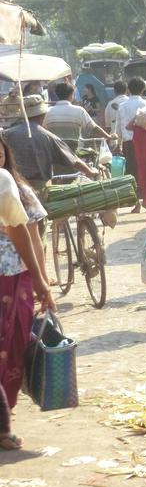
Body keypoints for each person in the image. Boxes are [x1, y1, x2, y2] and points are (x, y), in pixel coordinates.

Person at [0, 135, 55, 450]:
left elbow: (29, 237)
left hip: (14, 275)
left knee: (14, 346)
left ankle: (4, 419)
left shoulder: (15, 189)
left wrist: (41, 281)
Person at [0, 95, 97, 191]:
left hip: (11, 185)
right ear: (42, 115)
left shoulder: (6, 134)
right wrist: (90, 171)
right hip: (39, 188)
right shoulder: (48, 136)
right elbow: (73, 160)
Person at [117, 76, 146, 206]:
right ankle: (145, 197)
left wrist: (118, 143)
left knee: (131, 169)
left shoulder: (122, 105)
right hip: (145, 142)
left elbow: (119, 126)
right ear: (143, 90)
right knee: (145, 168)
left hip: (128, 141)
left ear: (128, 89)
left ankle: (135, 201)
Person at [43, 81, 112, 145]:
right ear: (71, 95)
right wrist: (109, 136)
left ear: (57, 94)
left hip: (54, 150)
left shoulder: (48, 111)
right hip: (74, 151)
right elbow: (94, 128)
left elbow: (43, 129)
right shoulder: (79, 111)